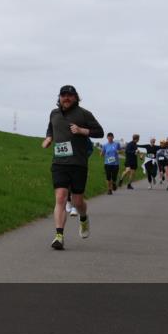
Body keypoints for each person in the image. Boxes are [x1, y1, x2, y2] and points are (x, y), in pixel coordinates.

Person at [42, 85, 104, 250]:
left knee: (77, 201)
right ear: (59, 97)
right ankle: (59, 236)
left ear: (76, 97)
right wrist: (49, 138)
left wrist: (81, 130)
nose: (66, 98)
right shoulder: (54, 113)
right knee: (61, 197)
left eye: (70, 95)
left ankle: (83, 217)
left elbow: (100, 132)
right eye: (63, 95)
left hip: (78, 163)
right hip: (59, 163)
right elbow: (51, 128)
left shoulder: (84, 114)